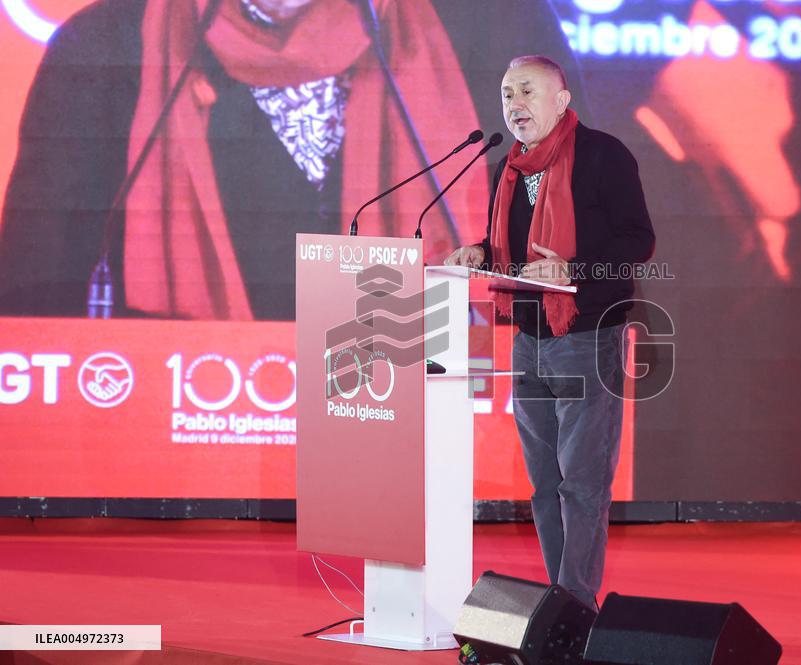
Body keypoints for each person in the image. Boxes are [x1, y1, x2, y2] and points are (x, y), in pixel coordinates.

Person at [0, 0, 585, 320]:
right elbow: (35, 285)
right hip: (194, 431)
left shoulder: (498, 26)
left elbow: (574, 218)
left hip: (437, 429)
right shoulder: (107, 44)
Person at [445, 55, 655, 609]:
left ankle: (575, 607)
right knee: (544, 486)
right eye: (507, 94)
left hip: (587, 336)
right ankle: (560, 604)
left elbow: (638, 241)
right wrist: (479, 250)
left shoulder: (604, 156)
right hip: (529, 339)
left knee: (582, 486)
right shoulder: (510, 167)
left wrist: (574, 269)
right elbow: (513, 250)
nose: (515, 105)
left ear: (562, 99)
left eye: (527, 92)